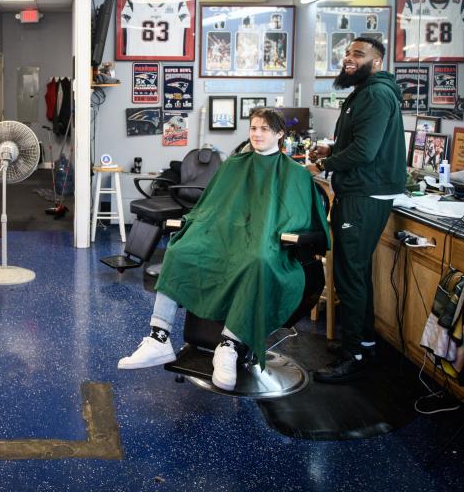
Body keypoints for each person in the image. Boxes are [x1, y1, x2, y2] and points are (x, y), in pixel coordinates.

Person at [118, 107, 329, 391]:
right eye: (254, 128)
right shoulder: (233, 166)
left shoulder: (295, 175)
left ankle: (228, 345)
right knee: (181, 250)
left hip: (268, 244)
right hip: (224, 237)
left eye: (264, 129)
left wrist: (267, 236)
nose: (256, 134)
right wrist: (196, 225)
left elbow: (299, 219)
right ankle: (159, 337)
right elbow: (212, 206)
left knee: (256, 260)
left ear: (280, 134)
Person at [307, 36, 406, 383]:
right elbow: (359, 142)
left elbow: (365, 152)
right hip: (360, 191)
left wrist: (324, 166)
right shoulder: (364, 91)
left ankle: (354, 355)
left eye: (358, 54)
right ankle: (362, 343)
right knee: (355, 272)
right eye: (348, 52)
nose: (349, 58)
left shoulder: (377, 94)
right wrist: (330, 149)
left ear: (376, 61)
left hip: (365, 194)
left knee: (350, 274)